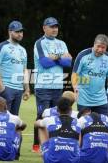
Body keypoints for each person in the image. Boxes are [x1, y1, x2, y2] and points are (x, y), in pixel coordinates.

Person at [33, 17, 72, 152]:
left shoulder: (62, 43)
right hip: (43, 86)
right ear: (44, 28)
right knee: (41, 115)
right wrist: (60, 57)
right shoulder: (40, 43)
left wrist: (54, 57)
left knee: (56, 116)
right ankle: (36, 145)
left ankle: (52, 144)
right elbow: (44, 63)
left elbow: (68, 63)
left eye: (56, 27)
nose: (54, 29)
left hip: (57, 86)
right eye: (51, 27)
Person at [72, 34, 108, 115]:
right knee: (85, 125)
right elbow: (75, 74)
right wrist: (75, 88)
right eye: (98, 46)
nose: (100, 49)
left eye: (103, 47)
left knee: (104, 125)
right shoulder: (83, 55)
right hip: (84, 99)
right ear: (94, 44)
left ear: (106, 47)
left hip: (101, 100)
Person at [0, 20, 30, 115]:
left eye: (21, 32)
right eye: (17, 32)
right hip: (6, 88)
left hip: (19, 89)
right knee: (2, 119)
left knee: (14, 119)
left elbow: (24, 69)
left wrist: (27, 88)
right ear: (10, 32)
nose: (20, 34)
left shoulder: (23, 50)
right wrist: (1, 86)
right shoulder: (2, 46)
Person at [34, 97, 81, 163]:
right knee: (80, 131)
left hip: (51, 160)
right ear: (71, 109)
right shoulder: (78, 122)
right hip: (73, 160)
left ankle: (44, 150)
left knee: (41, 126)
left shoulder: (50, 120)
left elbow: (36, 123)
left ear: (57, 110)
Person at [0, 96, 27, 161]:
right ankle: (16, 156)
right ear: (6, 107)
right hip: (7, 155)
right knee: (18, 130)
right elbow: (24, 125)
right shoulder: (13, 118)